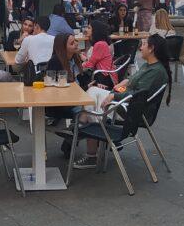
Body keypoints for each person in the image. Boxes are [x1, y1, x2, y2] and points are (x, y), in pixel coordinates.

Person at [73, 35, 171, 169]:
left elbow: (138, 95)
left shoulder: (155, 71)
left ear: (152, 48)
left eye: (143, 44)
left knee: (91, 104)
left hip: (130, 110)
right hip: (128, 103)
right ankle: (84, 125)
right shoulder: (150, 66)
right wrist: (124, 84)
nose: (140, 47)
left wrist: (114, 96)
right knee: (92, 93)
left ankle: (83, 131)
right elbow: (134, 85)